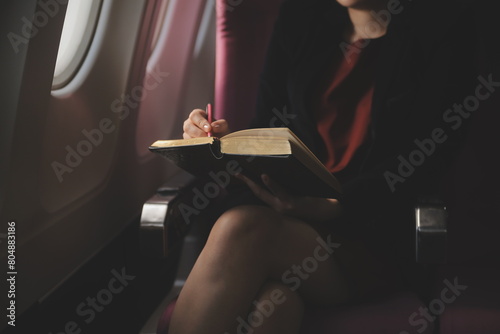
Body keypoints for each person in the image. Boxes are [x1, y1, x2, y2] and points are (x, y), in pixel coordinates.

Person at [169, 0, 485, 332]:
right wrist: (224, 141)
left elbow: (429, 158)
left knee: (242, 229)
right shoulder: (300, 18)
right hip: (284, 213)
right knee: (273, 308)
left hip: (368, 233)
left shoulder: (443, 27)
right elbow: (267, 127)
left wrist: (336, 206)